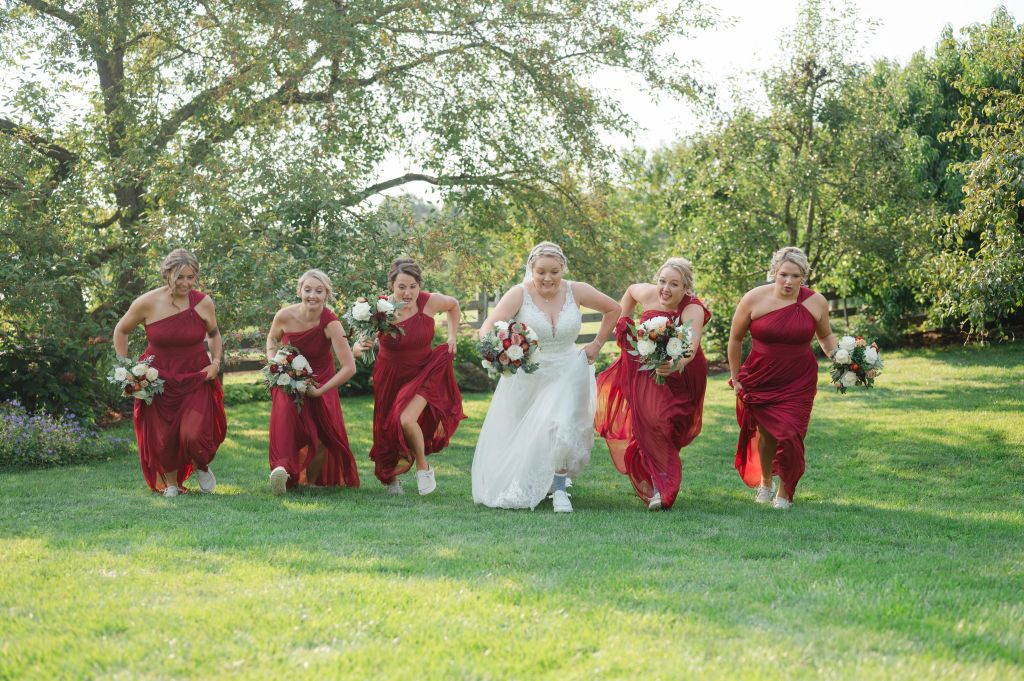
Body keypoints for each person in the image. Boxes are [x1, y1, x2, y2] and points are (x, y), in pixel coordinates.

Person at [472, 241, 619, 512]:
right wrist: (500, 350)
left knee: (560, 425)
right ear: (532, 269)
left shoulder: (577, 290)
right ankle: (540, 479)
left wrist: (597, 344)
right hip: (530, 374)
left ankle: (560, 490)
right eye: (541, 272)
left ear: (563, 268)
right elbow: (488, 326)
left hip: (568, 368)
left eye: (554, 271)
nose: (547, 278)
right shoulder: (519, 294)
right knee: (530, 432)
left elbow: (614, 309)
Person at [595, 257, 710, 511]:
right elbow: (628, 293)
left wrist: (674, 365)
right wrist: (623, 320)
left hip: (683, 373)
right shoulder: (646, 293)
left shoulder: (693, 309)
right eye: (662, 281)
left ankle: (657, 473)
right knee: (654, 422)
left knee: (670, 427)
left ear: (686, 289)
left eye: (674, 284)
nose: (665, 289)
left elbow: (690, 348)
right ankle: (663, 489)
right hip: (648, 370)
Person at [728, 246, 838, 509]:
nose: (788, 281)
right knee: (766, 436)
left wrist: (843, 360)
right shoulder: (753, 299)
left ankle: (785, 493)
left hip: (798, 380)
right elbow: (736, 339)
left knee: (790, 434)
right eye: (783, 275)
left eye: (795, 276)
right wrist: (735, 377)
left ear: (804, 277)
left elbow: (825, 337)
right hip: (761, 376)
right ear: (774, 272)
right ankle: (766, 483)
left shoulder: (816, 302)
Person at [112, 249, 226, 497]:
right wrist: (128, 369)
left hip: (196, 375)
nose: (185, 283)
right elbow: (121, 331)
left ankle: (201, 465)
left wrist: (215, 362)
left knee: (193, 433)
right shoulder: (147, 302)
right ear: (167, 274)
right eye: (180, 277)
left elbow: (215, 334)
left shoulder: (203, 302)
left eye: (190, 277)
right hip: (158, 378)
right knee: (163, 436)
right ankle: (172, 484)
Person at [356, 258, 465, 495]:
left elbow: (454, 305)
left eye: (413, 286)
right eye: (401, 287)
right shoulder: (380, 310)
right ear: (392, 287)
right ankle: (393, 479)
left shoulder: (430, 302)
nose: (407, 292)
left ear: (419, 285)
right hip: (390, 376)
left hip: (424, 371)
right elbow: (360, 342)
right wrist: (359, 348)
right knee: (388, 427)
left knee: (406, 419)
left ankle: (423, 469)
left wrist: (452, 336)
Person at [266, 269, 360, 495]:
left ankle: (312, 482)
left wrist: (320, 392)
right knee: (287, 425)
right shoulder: (284, 316)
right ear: (299, 290)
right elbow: (272, 338)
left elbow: (349, 367)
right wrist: (274, 364)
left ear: (327, 294)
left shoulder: (331, 324)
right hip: (289, 382)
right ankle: (282, 472)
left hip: (321, 383)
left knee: (321, 437)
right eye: (307, 290)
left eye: (319, 291)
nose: (312, 296)